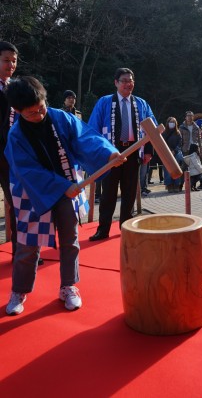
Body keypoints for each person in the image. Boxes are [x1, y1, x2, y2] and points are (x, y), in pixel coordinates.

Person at [4, 76, 124, 315]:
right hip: (33, 193)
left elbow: (86, 138)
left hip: (69, 184)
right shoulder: (16, 135)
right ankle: (19, 289)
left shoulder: (60, 117)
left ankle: (68, 286)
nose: (39, 115)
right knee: (28, 244)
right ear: (17, 111)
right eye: (31, 113)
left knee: (70, 240)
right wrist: (60, 186)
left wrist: (109, 153)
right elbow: (27, 171)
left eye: (41, 108)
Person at [88, 67, 157, 241]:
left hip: (134, 152)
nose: (128, 84)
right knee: (108, 194)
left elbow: (152, 129)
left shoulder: (141, 103)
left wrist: (148, 150)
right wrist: (101, 154)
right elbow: (93, 129)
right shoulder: (104, 102)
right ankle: (103, 229)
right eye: (124, 80)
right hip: (111, 154)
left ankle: (126, 226)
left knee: (130, 192)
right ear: (116, 83)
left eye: (130, 80)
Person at [0, 41, 18, 257]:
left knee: (17, 202)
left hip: (11, 155)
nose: (11, 65)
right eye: (6, 60)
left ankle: (21, 252)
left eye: (14, 61)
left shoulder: (16, 89)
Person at [162, 116, 183, 192]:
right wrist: (169, 150)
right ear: (167, 123)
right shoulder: (164, 133)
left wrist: (174, 150)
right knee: (167, 169)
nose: (172, 124)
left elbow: (180, 143)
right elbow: (163, 143)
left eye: (173, 122)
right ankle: (169, 185)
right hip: (167, 153)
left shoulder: (178, 133)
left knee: (176, 168)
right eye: (171, 122)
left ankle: (176, 184)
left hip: (176, 153)